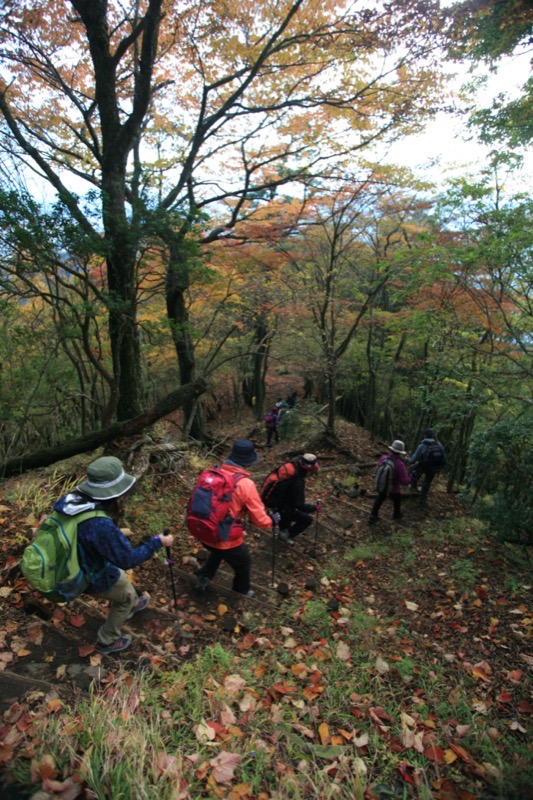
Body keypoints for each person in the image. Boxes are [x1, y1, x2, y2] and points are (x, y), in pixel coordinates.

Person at [52, 456, 174, 655]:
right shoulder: (100, 525)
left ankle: (130, 602)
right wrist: (158, 542)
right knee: (126, 595)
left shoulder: (71, 501)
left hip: (71, 561)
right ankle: (107, 640)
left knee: (122, 581)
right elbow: (127, 560)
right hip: (86, 573)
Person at [194, 439, 275, 597]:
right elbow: (259, 521)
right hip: (225, 537)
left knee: (217, 550)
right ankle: (241, 590)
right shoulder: (246, 484)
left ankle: (204, 576)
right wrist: (272, 521)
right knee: (244, 563)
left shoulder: (212, 473)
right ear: (249, 462)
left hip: (203, 530)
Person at [275, 453, 320, 545]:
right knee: (307, 520)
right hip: (284, 509)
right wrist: (314, 508)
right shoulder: (297, 481)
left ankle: (284, 533)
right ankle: (284, 536)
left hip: (279, 504)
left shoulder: (292, 468)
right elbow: (299, 505)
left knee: (291, 520)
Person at [368, 440, 411, 524]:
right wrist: (411, 478)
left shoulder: (383, 458)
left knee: (380, 497)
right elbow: (404, 481)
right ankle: (396, 515)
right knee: (397, 499)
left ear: (391, 449)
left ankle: (373, 516)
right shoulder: (400, 464)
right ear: (400, 453)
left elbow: (377, 469)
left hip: (381, 485)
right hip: (393, 488)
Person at [407, 429, 446, 503]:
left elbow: (415, 458)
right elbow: (443, 457)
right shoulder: (439, 444)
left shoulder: (422, 445)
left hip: (424, 466)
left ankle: (413, 487)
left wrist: (408, 461)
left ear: (425, 436)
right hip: (434, 468)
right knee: (427, 482)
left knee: (412, 470)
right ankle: (422, 498)